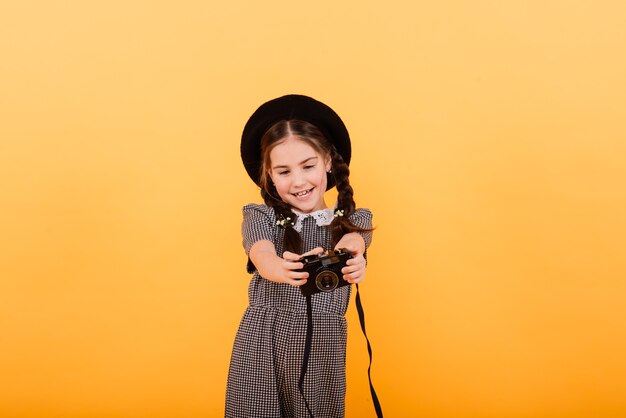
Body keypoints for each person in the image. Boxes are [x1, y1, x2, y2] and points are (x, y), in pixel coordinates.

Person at [226, 94, 373, 418]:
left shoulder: (353, 220)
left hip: (324, 347)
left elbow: (354, 241)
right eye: (284, 171)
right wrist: (278, 267)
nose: (299, 181)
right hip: (264, 342)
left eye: (308, 166)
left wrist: (354, 257)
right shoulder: (260, 216)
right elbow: (260, 250)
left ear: (328, 162)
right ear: (268, 175)